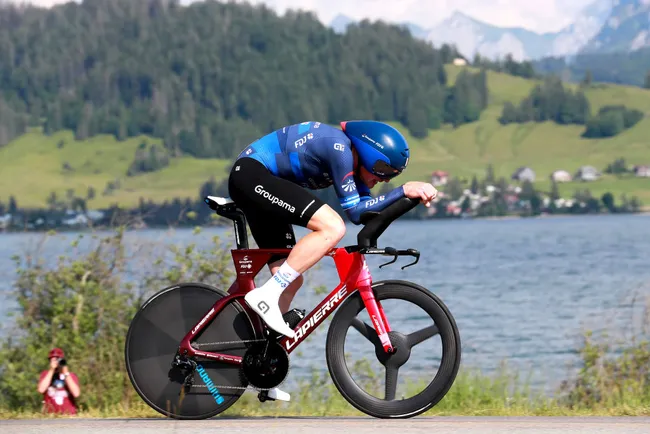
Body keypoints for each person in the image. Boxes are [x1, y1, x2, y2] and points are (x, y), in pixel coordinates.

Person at [227, 120, 437, 400]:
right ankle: (267, 294)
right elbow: (351, 214)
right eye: (384, 170)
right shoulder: (339, 148)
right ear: (366, 152)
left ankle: (258, 366)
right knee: (332, 227)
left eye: (393, 175)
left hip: (258, 182)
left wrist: (404, 199)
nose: (385, 179)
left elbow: (366, 213)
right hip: (252, 174)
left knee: (291, 280)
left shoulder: (351, 162)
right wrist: (404, 190)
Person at [37, 348, 81, 415]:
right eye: (54, 360)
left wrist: (65, 372)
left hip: (69, 416)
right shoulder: (46, 374)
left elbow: (76, 394)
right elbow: (41, 390)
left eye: (58, 359)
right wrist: (51, 370)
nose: (56, 362)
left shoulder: (70, 376)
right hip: (50, 416)